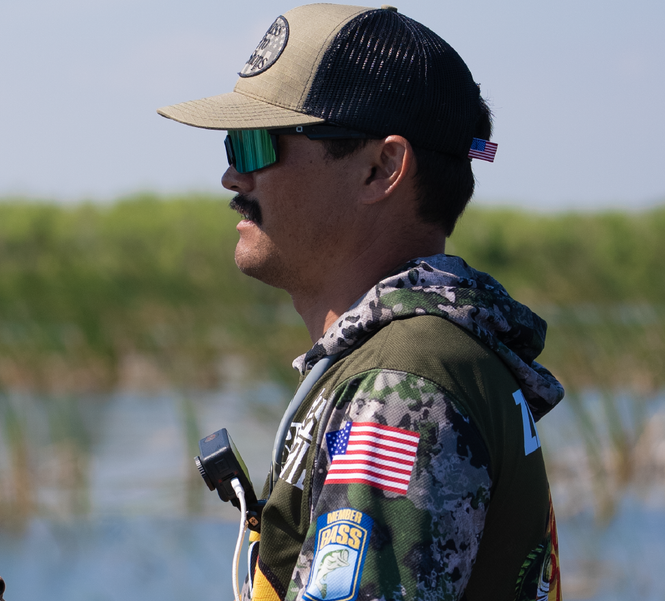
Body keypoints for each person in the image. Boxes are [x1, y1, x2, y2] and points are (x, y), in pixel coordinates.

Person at [155, 4, 564, 601]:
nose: (232, 178)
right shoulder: (421, 355)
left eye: (254, 144)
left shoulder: (400, 385)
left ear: (381, 168)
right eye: (230, 144)